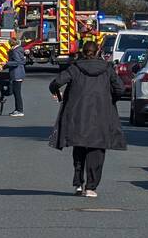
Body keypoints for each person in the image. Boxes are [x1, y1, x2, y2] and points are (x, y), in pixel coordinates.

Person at [48, 39, 125, 198]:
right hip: (101, 114)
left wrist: (58, 94)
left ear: (83, 52)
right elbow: (120, 88)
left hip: (78, 114)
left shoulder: (75, 68)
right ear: (98, 52)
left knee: (79, 147)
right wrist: (110, 99)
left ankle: (78, 183)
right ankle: (91, 187)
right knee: (96, 150)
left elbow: (56, 82)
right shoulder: (107, 69)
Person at [5, 32, 26, 117]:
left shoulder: (15, 51)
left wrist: (6, 63)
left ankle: (19, 110)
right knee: (16, 92)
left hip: (16, 74)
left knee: (17, 93)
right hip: (19, 73)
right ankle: (17, 110)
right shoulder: (19, 50)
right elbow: (22, 61)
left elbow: (16, 62)